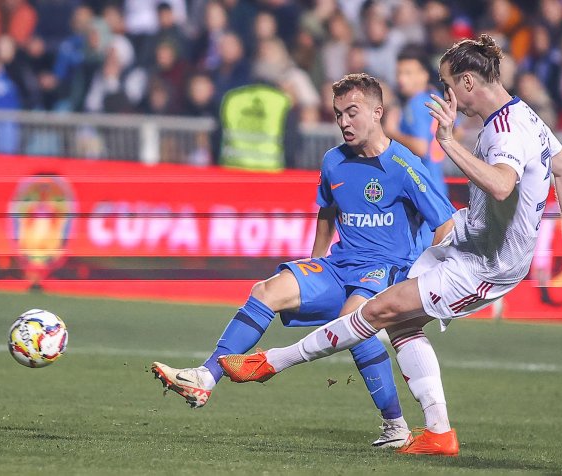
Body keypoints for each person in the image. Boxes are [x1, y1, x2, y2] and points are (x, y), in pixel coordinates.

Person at [217, 35, 562, 456]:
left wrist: (450, 143)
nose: (446, 95)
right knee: (400, 323)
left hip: (485, 264)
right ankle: (438, 432)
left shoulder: (505, 133)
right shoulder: (523, 114)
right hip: (467, 236)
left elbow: (500, 185)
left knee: (377, 311)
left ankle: (272, 362)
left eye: (447, 85)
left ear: (469, 83)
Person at [151, 72, 456, 448]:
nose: (344, 122)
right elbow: (327, 212)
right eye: (338, 113)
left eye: (352, 112)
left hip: (385, 270)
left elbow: (445, 224)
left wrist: (431, 280)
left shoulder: (405, 165)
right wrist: (314, 265)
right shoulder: (333, 162)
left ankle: (395, 426)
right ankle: (206, 378)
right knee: (267, 290)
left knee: (353, 321)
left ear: (378, 112)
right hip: (339, 265)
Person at [386, 47, 449, 246]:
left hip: (421, 190)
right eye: (399, 73)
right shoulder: (435, 98)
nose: (401, 79)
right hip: (438, 185)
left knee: (418, 260)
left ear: (423, 74)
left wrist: (391, 131)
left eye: (408, 73)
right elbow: (458, 131)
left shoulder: (416, 104)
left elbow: (422, 147)